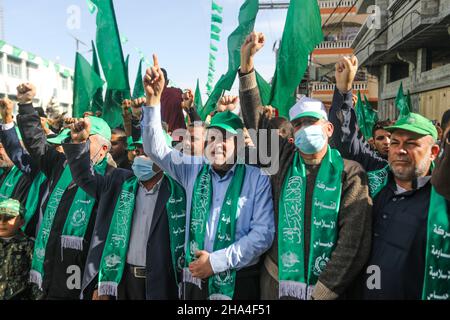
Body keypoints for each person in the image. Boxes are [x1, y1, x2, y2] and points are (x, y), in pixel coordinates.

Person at [239, 32, 372, 300]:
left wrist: (323, 292)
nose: (304, 129)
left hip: (325, 291)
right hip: (276, 281)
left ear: (328, 128)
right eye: (298, 124)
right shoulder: (283, 159)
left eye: (311, 122)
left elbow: (352, 242)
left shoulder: (349, 173)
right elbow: (255, 123)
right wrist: (247, 67)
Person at [142, 55, 275, 300]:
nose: (218, 145)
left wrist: (215, 262)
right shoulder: (193, 168)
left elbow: (263, 234)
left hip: (238, 283)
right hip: (195, 280)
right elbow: (154, 148)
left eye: (225, 138)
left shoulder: (257, 178)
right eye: (212, 137)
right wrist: (153, 100)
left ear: (238, 143)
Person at [329, 56, 450, 300]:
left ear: (434, 151)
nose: (400, 150)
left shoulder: (442, 200)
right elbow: (347, 142)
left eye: (411, 144)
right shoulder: (377, 174)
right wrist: (343, 91)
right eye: (395, 143)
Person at [62, 118, 182, 300]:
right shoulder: (119, 181)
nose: (139, 156)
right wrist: (79, 143)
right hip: (122, 280)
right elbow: (85, 177)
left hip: (162, 285)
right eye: (137, 151)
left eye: (147, 152)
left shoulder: (177, 192)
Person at [16, 82, 114, 300]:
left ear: (104, 148)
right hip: (51, 267)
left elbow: (114, 238)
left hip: (84, 273)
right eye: (74, 137)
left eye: (85, 138)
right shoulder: (61, 164)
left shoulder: (111, 180)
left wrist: (103, 283)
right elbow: (35, 143)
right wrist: (26, 106)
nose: (76, 142)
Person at [0, 97, 48, 238]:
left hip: (28, 238)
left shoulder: (34, 171)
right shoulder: (7, 170)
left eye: (2, 147)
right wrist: (7, 118)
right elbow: (15, 153)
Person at [0, 199, 34, 300]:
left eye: (9, 218)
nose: (2, 222)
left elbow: (35, 282)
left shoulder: (29, 246)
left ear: (21, 222)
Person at [160, 68, 186, 133]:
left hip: (158, 138)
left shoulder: (148, 102)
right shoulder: (177, 92)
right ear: (167, 82)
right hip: (179, 137)